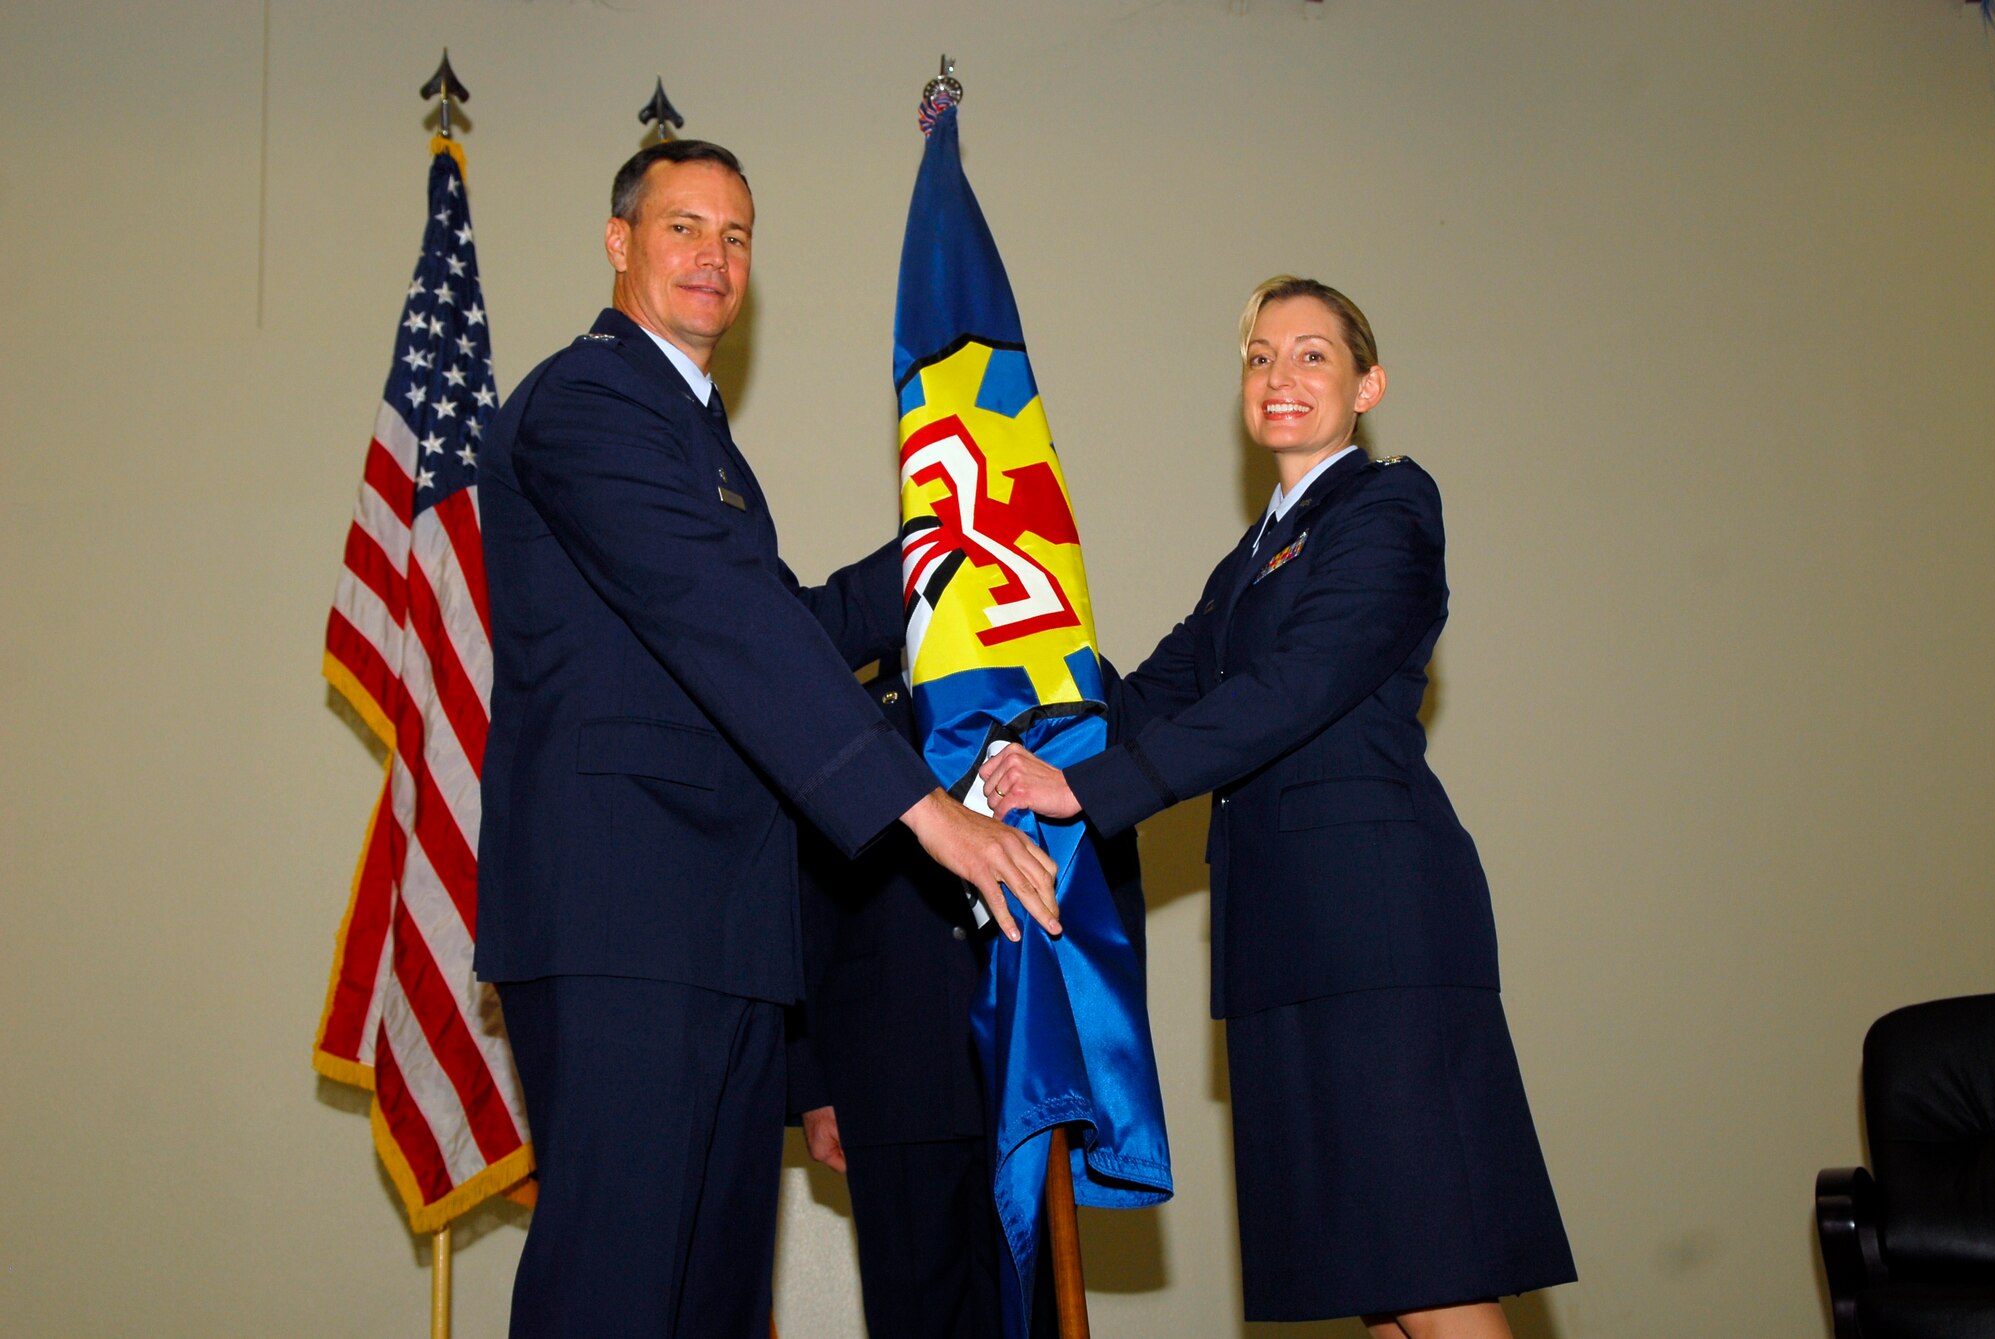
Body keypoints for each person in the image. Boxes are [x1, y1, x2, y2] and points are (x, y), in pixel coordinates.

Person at [474, 139, 1061, 1338]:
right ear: (618, 241)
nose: (712, 257)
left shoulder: (700, 436)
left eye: (734, 236)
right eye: (683, 227)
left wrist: (929, 561)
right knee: (619, 1288)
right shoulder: (584, 400)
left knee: (711, 1300)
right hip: (620, 917)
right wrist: (920, 805)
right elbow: (715, 612)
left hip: (721, 932)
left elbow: (771, 622)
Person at [979, 277, 1575, 1337]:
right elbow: (1142, 700)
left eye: (1309, 354)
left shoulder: (1388, 506)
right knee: (1377, 1289)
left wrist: (1088, 791)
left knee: (1434, 1274)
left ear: (1365, 384)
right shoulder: (1242, 566)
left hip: (1373, 927)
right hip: (1281, 939)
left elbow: (1291, 689)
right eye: (1259, 357)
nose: (1279, 377)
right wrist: (1008, 663)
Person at [787, 666, 1148, 1339]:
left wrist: (1105, 1055)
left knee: (1037, 1307)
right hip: (887, 1062)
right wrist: (809, 1079)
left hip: (1032, 1059)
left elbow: (1110, 871)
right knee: (917, 1314)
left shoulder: (1064, 677)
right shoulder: (850, 695)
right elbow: (806, 891)